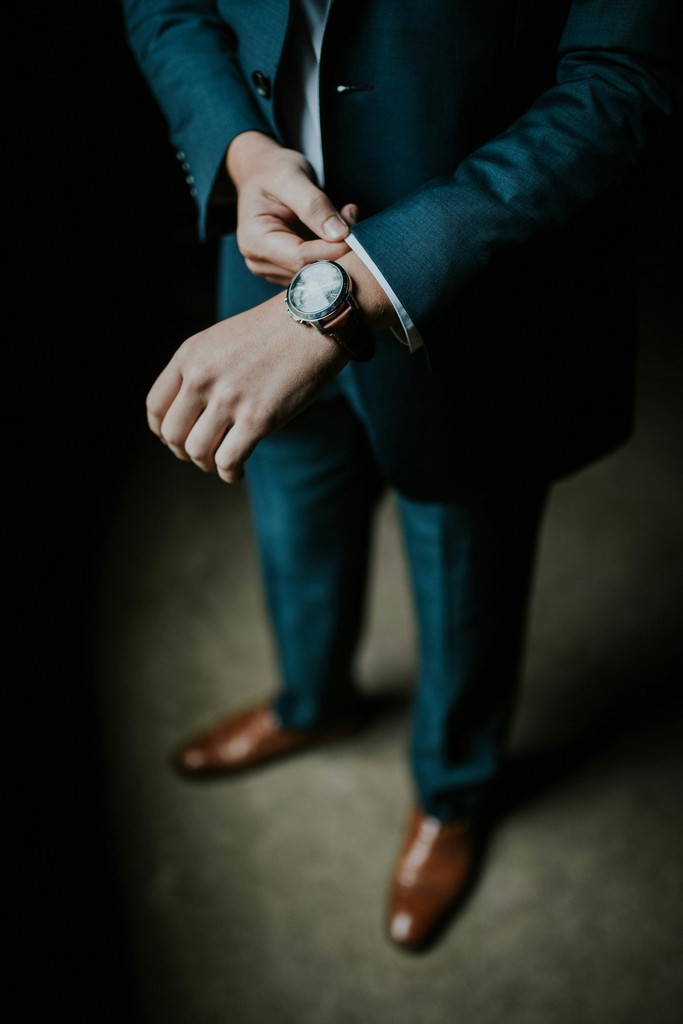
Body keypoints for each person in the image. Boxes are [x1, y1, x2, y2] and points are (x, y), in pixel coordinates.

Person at [120, 0, 681, 951]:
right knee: (291, 513)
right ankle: (312, 703)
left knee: (465, 555)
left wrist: (340, 300)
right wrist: (240, 151)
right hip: (254, 263)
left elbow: (622, 77)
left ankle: (451, 794)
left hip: (476, 298)